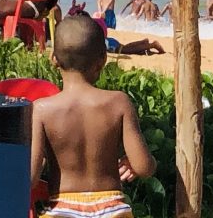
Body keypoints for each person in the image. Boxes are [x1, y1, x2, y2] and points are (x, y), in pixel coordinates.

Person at [30, 15, 156, 218]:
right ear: (102, 60)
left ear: (54, 58)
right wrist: (136, 162)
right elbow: (144, 167)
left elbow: (30, 177)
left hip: (62, 209)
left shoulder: (42, 109)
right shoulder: (119, 102)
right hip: (113, 210)